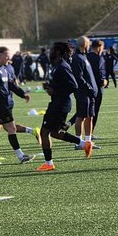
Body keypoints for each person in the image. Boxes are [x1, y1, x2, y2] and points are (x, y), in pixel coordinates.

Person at [36, 42, 84, 171]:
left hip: (60, 105)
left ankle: (49, 164)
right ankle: (84, 144)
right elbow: (59, 84)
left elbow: (73, 85)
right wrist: (49, 87)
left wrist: (55, 91)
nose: (49, 51)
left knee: (44, 132)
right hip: (57, 103)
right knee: (55, 133)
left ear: (58, 51)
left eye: (52, 49)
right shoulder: (56, 65)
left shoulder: (62, 66)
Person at [71, 37, 98, 157]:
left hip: (90, 93)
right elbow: (79, 77)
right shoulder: (77, 58)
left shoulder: (84, 56)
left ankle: (88, 141)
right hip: (83, 92)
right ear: (85, 45)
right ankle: (78, 142)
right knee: (81, 116)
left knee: (90, 117)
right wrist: (89, 88)